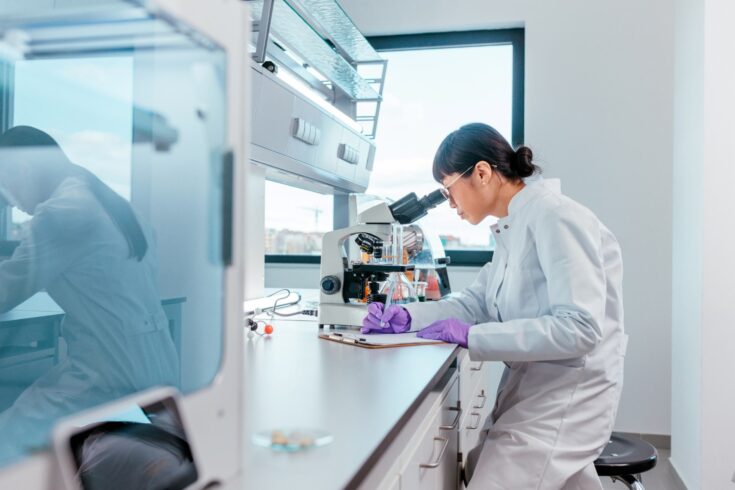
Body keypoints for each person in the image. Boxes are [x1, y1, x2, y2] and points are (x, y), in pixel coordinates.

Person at [362, 123, 626, 489]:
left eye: (448, 189)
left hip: (567, 395)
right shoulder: (513, 228)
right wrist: (409, 317)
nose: (449, 203)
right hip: (532, 384)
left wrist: (474, 337)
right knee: (484, 463)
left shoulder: (556, 217)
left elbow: (580, 328)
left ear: (482, 173)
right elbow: (476, 303)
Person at [0, 126, 179, 463]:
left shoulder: (63, 211)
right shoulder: (114, 204)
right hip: (157, 369)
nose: (14, 204)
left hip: (108, 378)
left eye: (6, 188)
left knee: (9, 440)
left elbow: (7, 290)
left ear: (22, 170)